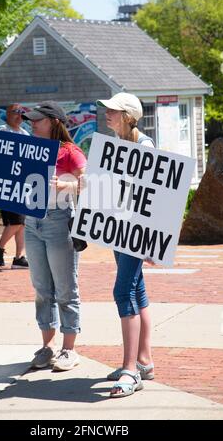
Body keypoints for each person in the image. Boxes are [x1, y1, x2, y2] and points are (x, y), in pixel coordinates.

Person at [96, 92, 155, 398]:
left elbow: (152, 197)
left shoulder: (144, 146)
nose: (107, 113)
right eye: (107, 109)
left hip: (133, 232)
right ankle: (143, 361)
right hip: (116, 229)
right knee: (137, 290)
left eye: (113, 110)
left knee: (123, 291)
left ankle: (130, 370)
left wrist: (150, 241)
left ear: (128, 116)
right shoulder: (114, 146)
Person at [21, 101, 86, 372]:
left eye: (38, 120)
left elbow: (89, 181)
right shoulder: (27, 150)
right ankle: (47, 347)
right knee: (41, 288)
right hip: (31, 221)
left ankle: (69, 349)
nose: (32, 123)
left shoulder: (70, 151)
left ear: (54, 123)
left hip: (59, 221)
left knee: (65, 288)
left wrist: (66, 184)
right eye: (31, 119)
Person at [0, 103, 29, 269]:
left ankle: (19, 258)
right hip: (5, 184)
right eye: (15, 112)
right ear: (7, 114)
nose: (19, 115)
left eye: (21, 112)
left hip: (21, 184)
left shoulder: (25, 133)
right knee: (16, 221)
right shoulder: (2, 131)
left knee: (22, 223)